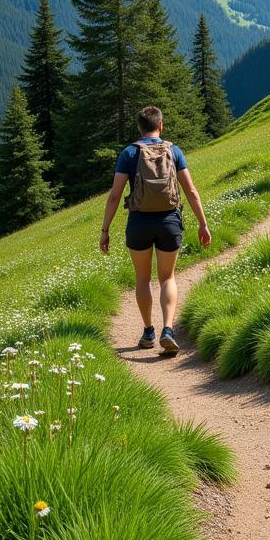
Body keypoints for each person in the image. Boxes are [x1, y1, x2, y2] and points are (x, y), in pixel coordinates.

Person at [99, 105, 211, 356]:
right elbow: (191, 191)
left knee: (142, 278)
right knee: (167, 277)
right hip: (169, 222)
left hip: (138, 223)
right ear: (161, 126)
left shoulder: (129, 153)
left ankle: (148, 331)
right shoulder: (174, 151)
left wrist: (105, 230)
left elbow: (115, 195)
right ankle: (168, 330)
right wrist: (203, 223)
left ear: (139, 128)